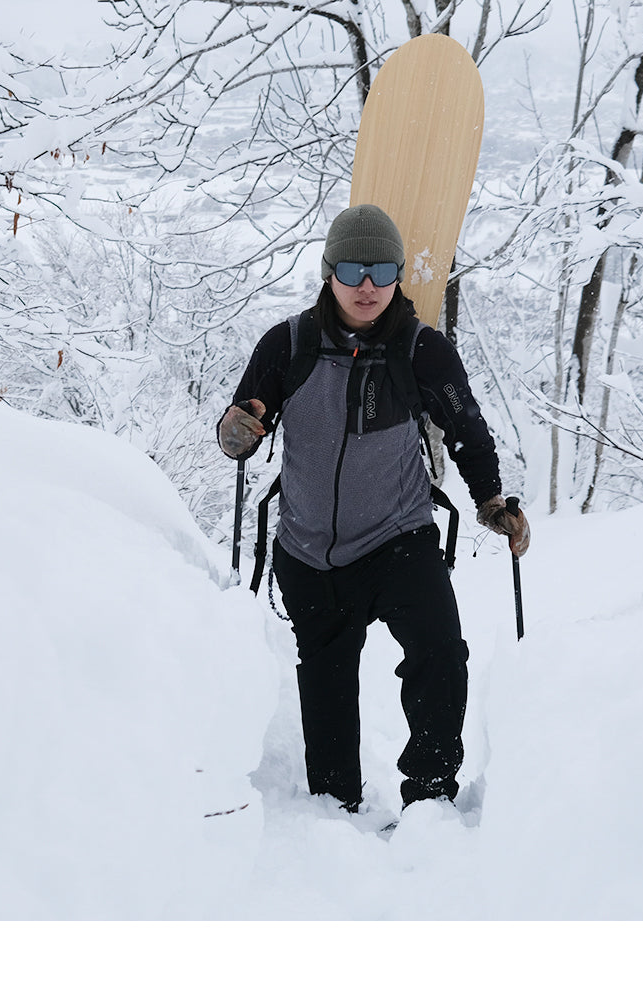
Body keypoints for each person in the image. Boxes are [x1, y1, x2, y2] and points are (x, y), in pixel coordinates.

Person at [218, 204, 529, 813]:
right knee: (327, 688)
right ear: (330, 270)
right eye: (354, 269)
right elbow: (244, 420)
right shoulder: (288, 345)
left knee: (440, 656)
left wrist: (490, 499)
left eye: (382, 270)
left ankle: (431, 798)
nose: (367, 286)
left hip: (399, 537)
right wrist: (238, 431)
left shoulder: (422, 351)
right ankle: (335, 816)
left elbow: (465, 429)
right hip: (308, 550)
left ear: (398, 276)